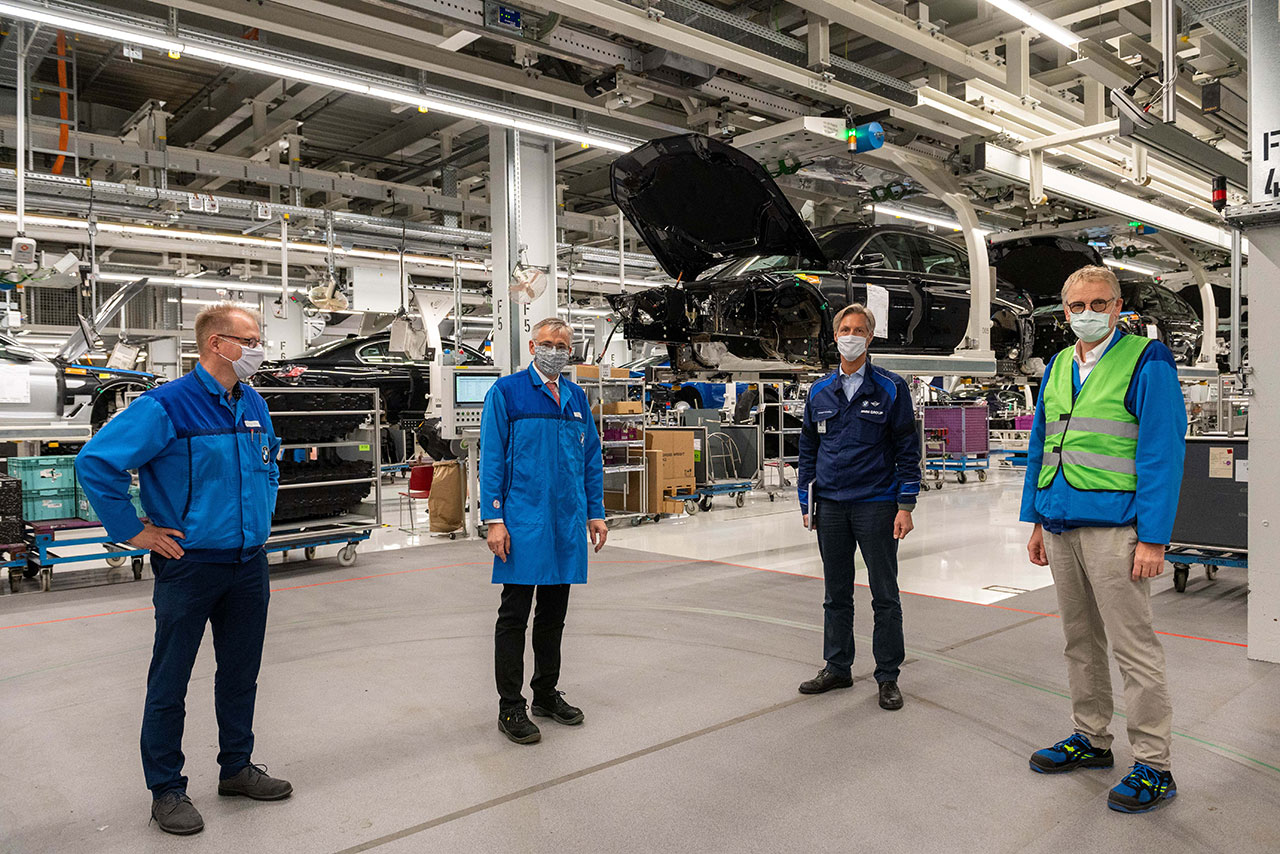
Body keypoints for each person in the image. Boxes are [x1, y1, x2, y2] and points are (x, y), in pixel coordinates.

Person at [76, 304, 291, 836]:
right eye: (251, 339)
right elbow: (96, 461)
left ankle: (236, 768)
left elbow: (269, 464)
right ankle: (166, 789)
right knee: (170, 680)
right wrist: (132, 530)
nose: (260, 349)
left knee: (240, 674)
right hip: (190, 564)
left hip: (248, 564)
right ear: (218, 344)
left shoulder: (253, 402)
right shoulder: (166, 406)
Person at [1021, 265, 1186, 814]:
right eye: (1076, 306)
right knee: (1080, 641)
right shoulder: (1061, 363)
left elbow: (1162, 450)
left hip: (1118, 526)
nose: (1087, 314)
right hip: (1063, 519)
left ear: (1117, 307)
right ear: (1064, 311)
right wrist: (1037, 519)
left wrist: (1154, 537)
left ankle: (1154, 765)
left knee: (1134, 649)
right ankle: (1091, 739)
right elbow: (1043, 441)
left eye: (1098, 303)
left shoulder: (1146, 359)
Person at [479, 317, 608, 745]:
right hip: (522, 522)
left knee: (553, 616)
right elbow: (492, 460)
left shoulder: (575, 398)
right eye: (548, 343)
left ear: (570, 351)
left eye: (562, 345)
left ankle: (546, 693)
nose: (555, 350)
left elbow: (590, 460)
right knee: (514, 616)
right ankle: (510, 707)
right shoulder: (507, 393)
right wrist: (493, 520)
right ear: (533, 345)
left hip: (565, 523)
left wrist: (596, 511)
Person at [796, 303, 921, 711]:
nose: (850, 336)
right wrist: (806, 501)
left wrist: (906, 503)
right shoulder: (818, 391)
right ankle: (837, 667)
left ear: (869, 337)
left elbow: (907, 447)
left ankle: (888, 676)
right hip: (830, 506)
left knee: (884, 594)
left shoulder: (891, 388)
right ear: (835, 337)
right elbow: (808, 449)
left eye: (858, 330)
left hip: (877, 504)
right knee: (836, 593)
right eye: (844, 329)